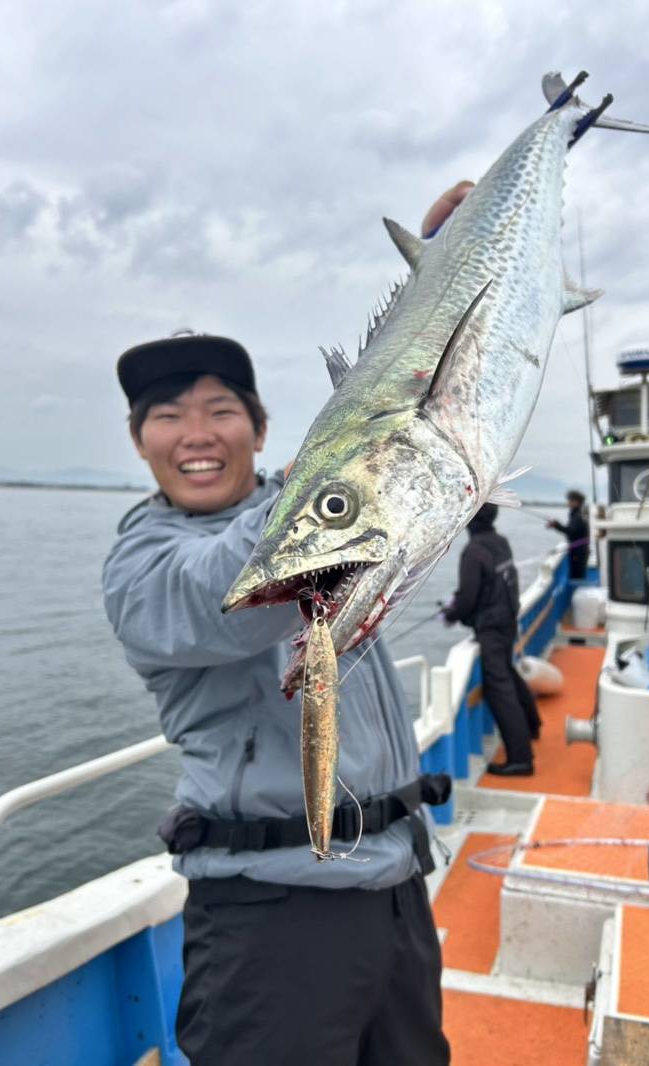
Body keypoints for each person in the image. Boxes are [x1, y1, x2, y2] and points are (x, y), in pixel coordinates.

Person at [102, 330, 452, 1065]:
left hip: (396, 886)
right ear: (139, 442)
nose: (196, 434)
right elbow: (226, 587)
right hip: (272, 919)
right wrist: (325, 487)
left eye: (220, 409)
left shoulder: (339, 510)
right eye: (166, 415)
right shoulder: (141, 569)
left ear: (259, 428)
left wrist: (442, 255)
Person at [442, 503, 541, 777]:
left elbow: (467, 598)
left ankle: (521, 759)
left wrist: (451, 614)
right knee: (507, 672)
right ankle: (532, 724)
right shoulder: (500, 542)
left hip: (492, 628)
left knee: (500, 689)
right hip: (508, 621)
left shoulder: (474, 551)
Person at [547, 489, 590, 579]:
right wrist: (556, 525)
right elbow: (572, 531)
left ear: (576, 502)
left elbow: (571, 531)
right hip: (580, 550)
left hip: (578, 552)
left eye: (570, 500)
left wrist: (556, 525)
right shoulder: (578, 514)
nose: (568, 502)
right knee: (578, 574)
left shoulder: (578, 516)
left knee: (577, 576)